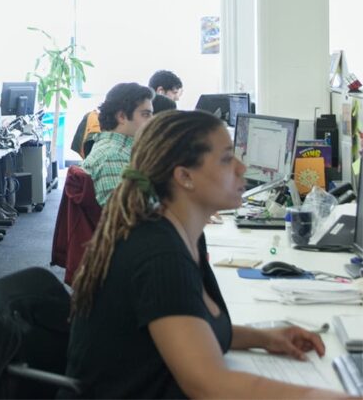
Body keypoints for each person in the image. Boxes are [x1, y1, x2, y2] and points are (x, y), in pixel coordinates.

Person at [67, 110, 337, 398]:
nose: (241, 168)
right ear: (184, 176)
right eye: (226, 158)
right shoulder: (158, 255)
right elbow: (209, 385)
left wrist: (265, 337)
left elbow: (190, 327)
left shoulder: (183, 236)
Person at [84, 82, 154, 206]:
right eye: (146, 115)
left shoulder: (115, 148)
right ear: (121, 116)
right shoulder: (114, 155)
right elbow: (127, 217)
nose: (152, 121)